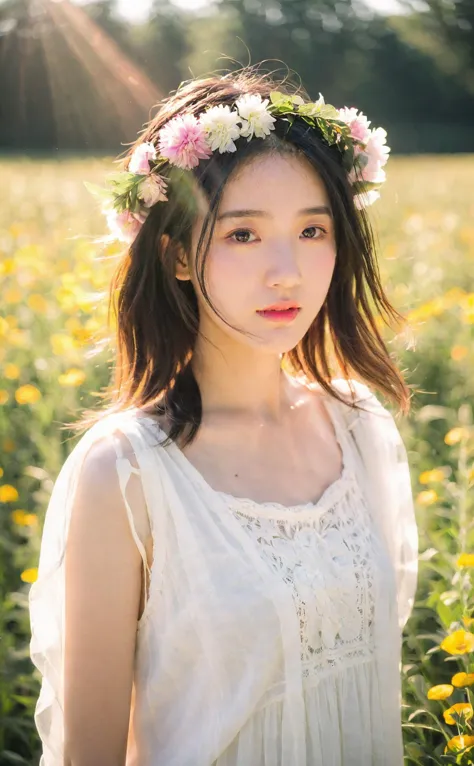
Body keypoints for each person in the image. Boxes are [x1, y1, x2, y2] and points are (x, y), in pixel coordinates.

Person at [28, 65, 419, 766]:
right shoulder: (126, 473)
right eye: (243, 235)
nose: (287, 272)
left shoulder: (360, 429)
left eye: (312, 230)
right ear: (178, 254)